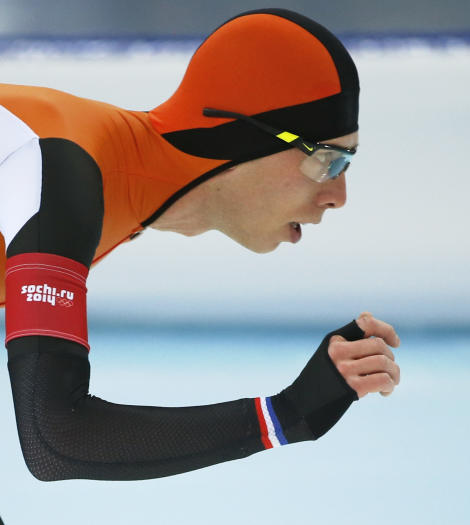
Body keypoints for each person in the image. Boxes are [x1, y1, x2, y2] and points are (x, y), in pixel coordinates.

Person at [0, 8, 401, 482]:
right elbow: (56, 441)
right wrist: (286, 415)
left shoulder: (103, 178)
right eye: (329, 161)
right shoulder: (59, 166)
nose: (339, 197)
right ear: (249, 137)